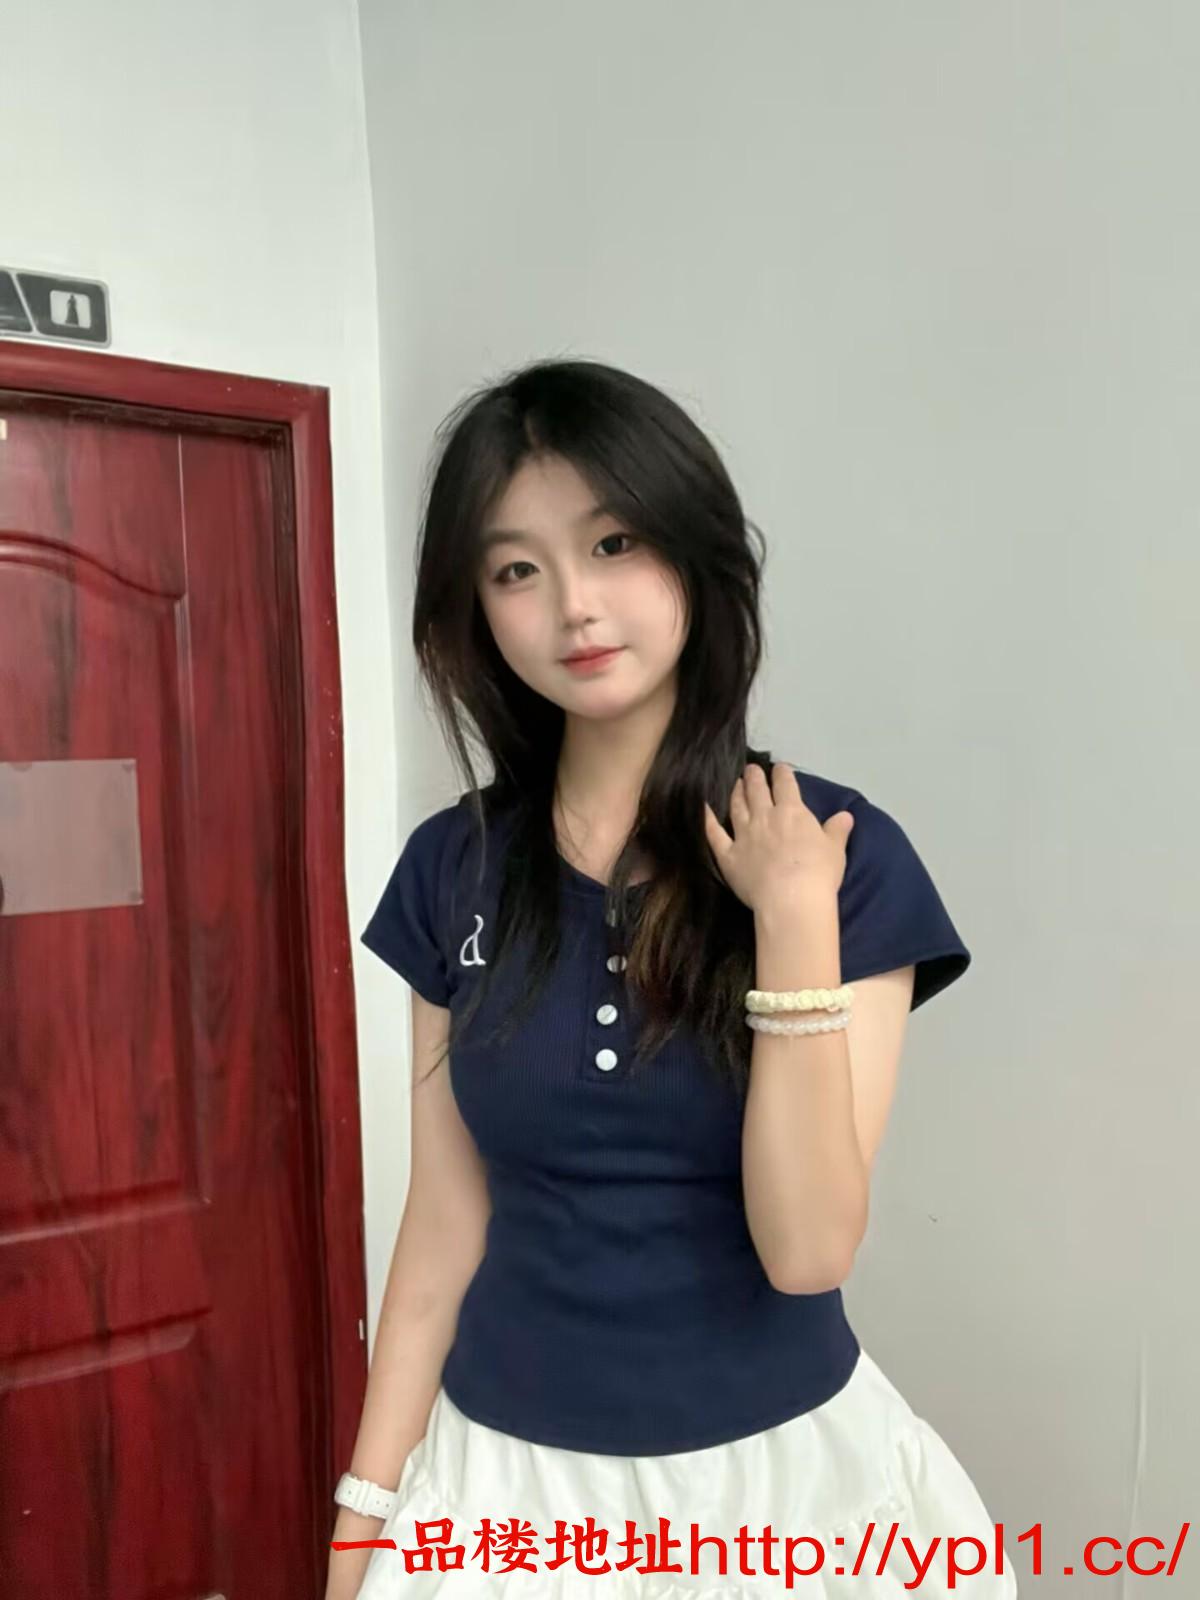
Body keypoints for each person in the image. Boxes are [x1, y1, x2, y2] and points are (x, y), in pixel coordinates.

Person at [326, 358, 1018, 1598]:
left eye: (614, 543)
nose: (574, 606)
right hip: (506, 1494)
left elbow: (808, 1250)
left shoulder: (839, 855)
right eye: (517, 569)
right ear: (475, 607)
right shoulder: (450, 867)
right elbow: (441, 1226)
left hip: (781, 1492)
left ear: (696, 556)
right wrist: (365, 1517)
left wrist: (792, 919)